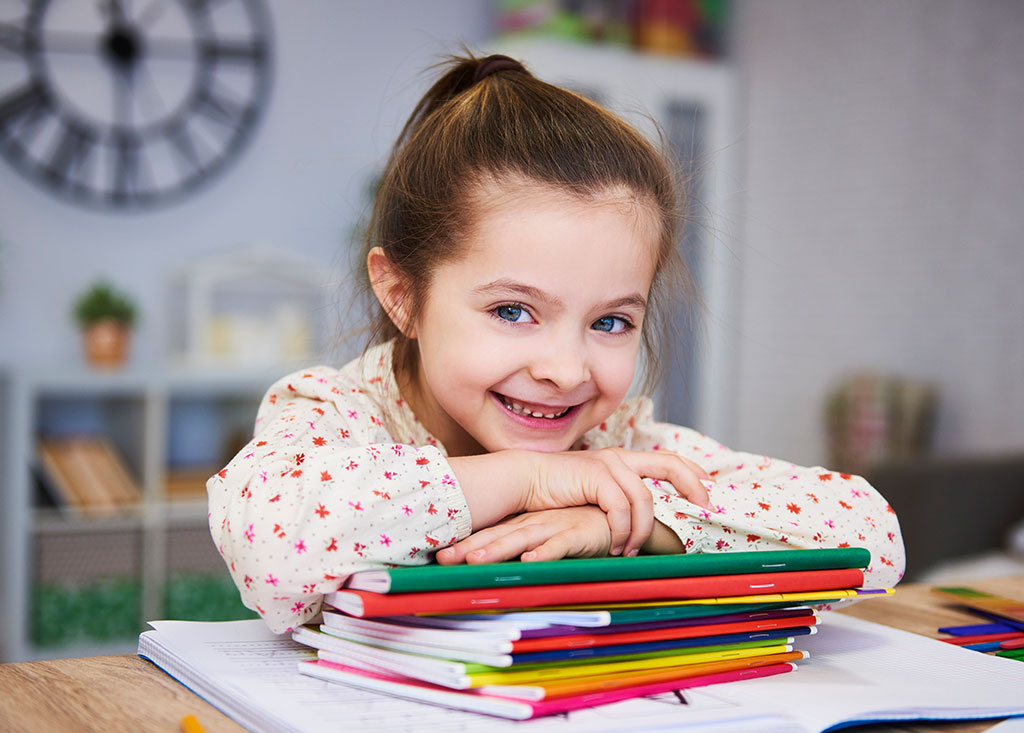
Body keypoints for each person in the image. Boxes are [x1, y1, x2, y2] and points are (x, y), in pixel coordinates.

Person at [208, 53, 905, 633]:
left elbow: (873, 539)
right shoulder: (338, 413)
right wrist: (530, 480)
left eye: (610, 323)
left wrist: (638, 521)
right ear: (402, 295)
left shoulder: (618, 450)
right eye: (514, 310)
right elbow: (268, 544)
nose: (566, 370)